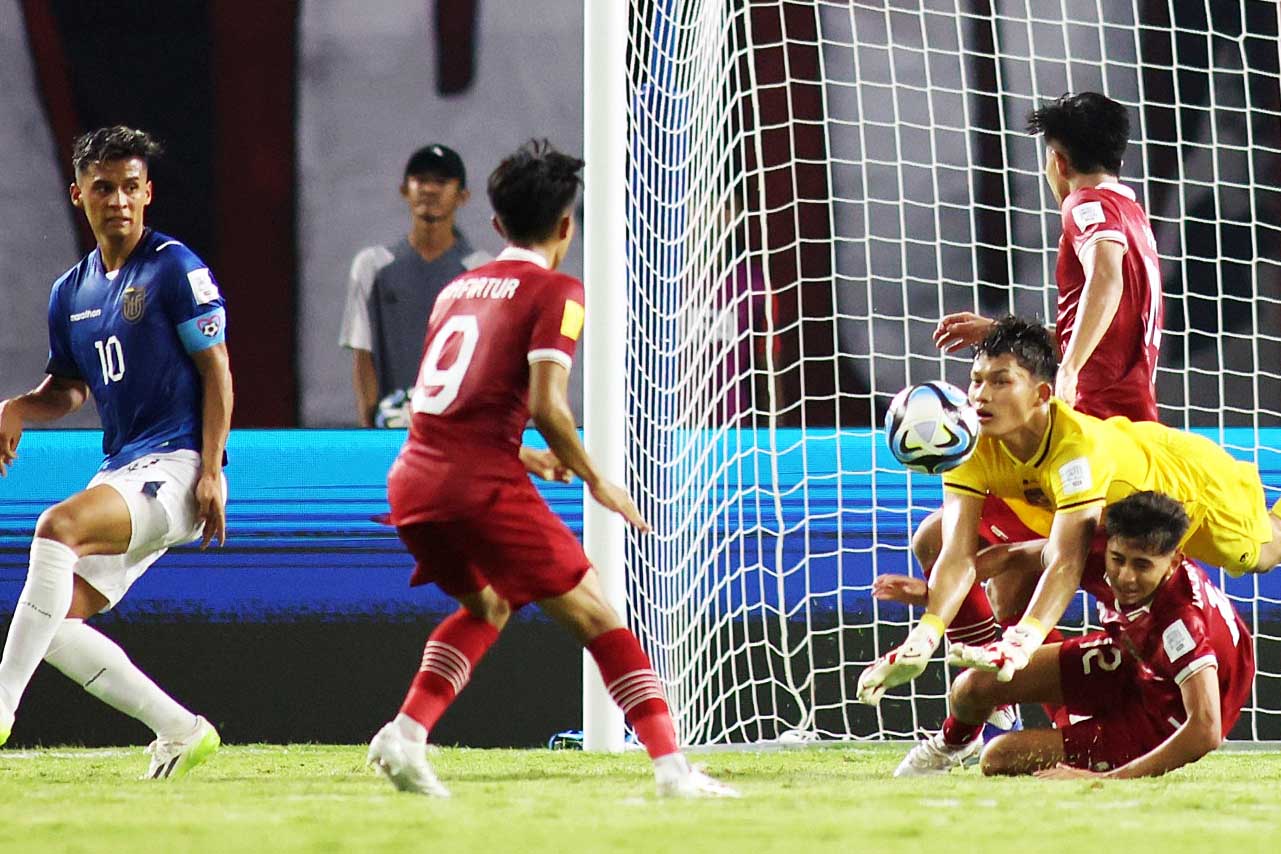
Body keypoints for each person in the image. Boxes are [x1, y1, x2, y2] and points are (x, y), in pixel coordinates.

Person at [365, 140, 738, 799]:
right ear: (566, 226)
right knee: (599, 616)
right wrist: (597, 479)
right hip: (477, 489)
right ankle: (672, 772)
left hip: (415, 480)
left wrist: (523, 456)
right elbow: (547, 405)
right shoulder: (558, 290)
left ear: (497, 224)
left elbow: (446, 401)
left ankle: (405, 733)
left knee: (488, 603)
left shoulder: (456, 288)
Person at [855, 316, 1280, 711]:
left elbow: (1066, 561)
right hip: (1096, 510)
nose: (982, 394)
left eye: (1001, 382)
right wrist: (923, 637)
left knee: (1264, 553)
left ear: (1042, 394)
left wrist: (1022, 640)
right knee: (949, 545)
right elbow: (956, 553)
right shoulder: (973, 444)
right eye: (976, 380)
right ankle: (1005, 708)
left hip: (1191, 486)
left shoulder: (1076, 453)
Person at [900, 91, 1166, 669]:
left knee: (942, 541)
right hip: (1132, 429)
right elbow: (1108, 318)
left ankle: (992, 701)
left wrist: (1066, 371)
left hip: (1090, 433)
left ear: (1058, 161)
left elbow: (1107, 277)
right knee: (1011, 559)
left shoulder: (1086, 206)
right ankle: (1002, 693)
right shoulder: (1132, 210)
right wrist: (1011, 334)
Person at [0, 126, 230, 778]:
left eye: (132, 187)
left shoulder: (175, 268)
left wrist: (211, 469)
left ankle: (1, 705)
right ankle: (180, 730)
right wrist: (17, 408)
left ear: (148, 192)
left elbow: (218, 370)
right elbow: (68, 390)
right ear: (79, 195)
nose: (120, 200)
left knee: (57, 526)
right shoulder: (70, 292)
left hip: (180, 466)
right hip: (127, 468)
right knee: (52, 624)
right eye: (105, 187)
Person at [899, 491, 1253, 778]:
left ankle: (1098, 747)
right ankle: (953, 744)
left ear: (1174, 562)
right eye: (1119, 560)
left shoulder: (1180, 623)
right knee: (971, 688)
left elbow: (1207, 729)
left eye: (1142, 565)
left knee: (999, 758)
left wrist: (1105, 781)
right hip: (1132, 664)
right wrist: (935, 595)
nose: (1126, 577)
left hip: (1161, 718)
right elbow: (1009, 557)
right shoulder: (1099, 549)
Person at [338, 143, 489, 426]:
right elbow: (363, 354)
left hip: (457, 428)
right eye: (420, 180)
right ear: (405, 190)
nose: (429, 190)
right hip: (392, 424)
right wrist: (368, 433)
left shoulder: (482, 271)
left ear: (463, 196)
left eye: (442, 182)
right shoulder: (372, 265)